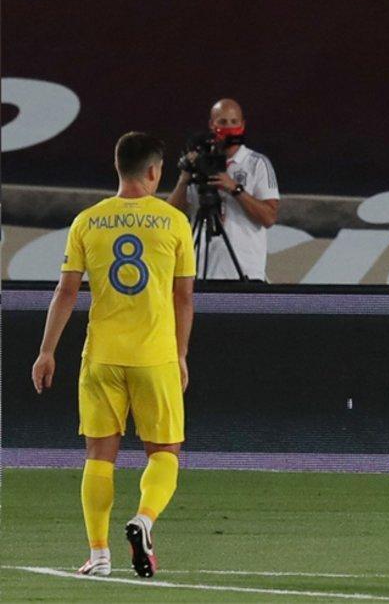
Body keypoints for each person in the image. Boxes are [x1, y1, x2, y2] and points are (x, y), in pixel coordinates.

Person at [32, 132, 196, 578]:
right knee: (165, 452)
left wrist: (47, 351)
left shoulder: (87, 220)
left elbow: (66, 291)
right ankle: (143, 520)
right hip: (155, 355)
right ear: (154, 171)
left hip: (102, 354)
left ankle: (99, 554)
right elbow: (184, 298)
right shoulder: (174, 222)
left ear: (117, 167)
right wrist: (180, 355)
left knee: (99, 456)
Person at [166, 98, 280, 281]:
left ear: (243, 125)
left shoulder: (256, 163)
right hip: (201, 272)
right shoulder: (199, 164)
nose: (229, 128)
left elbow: (269, 217)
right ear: (212, 125)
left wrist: (234, 188)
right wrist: (185, 178)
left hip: (245, 271)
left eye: (234, 122)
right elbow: (169, 217)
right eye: (223, 122)